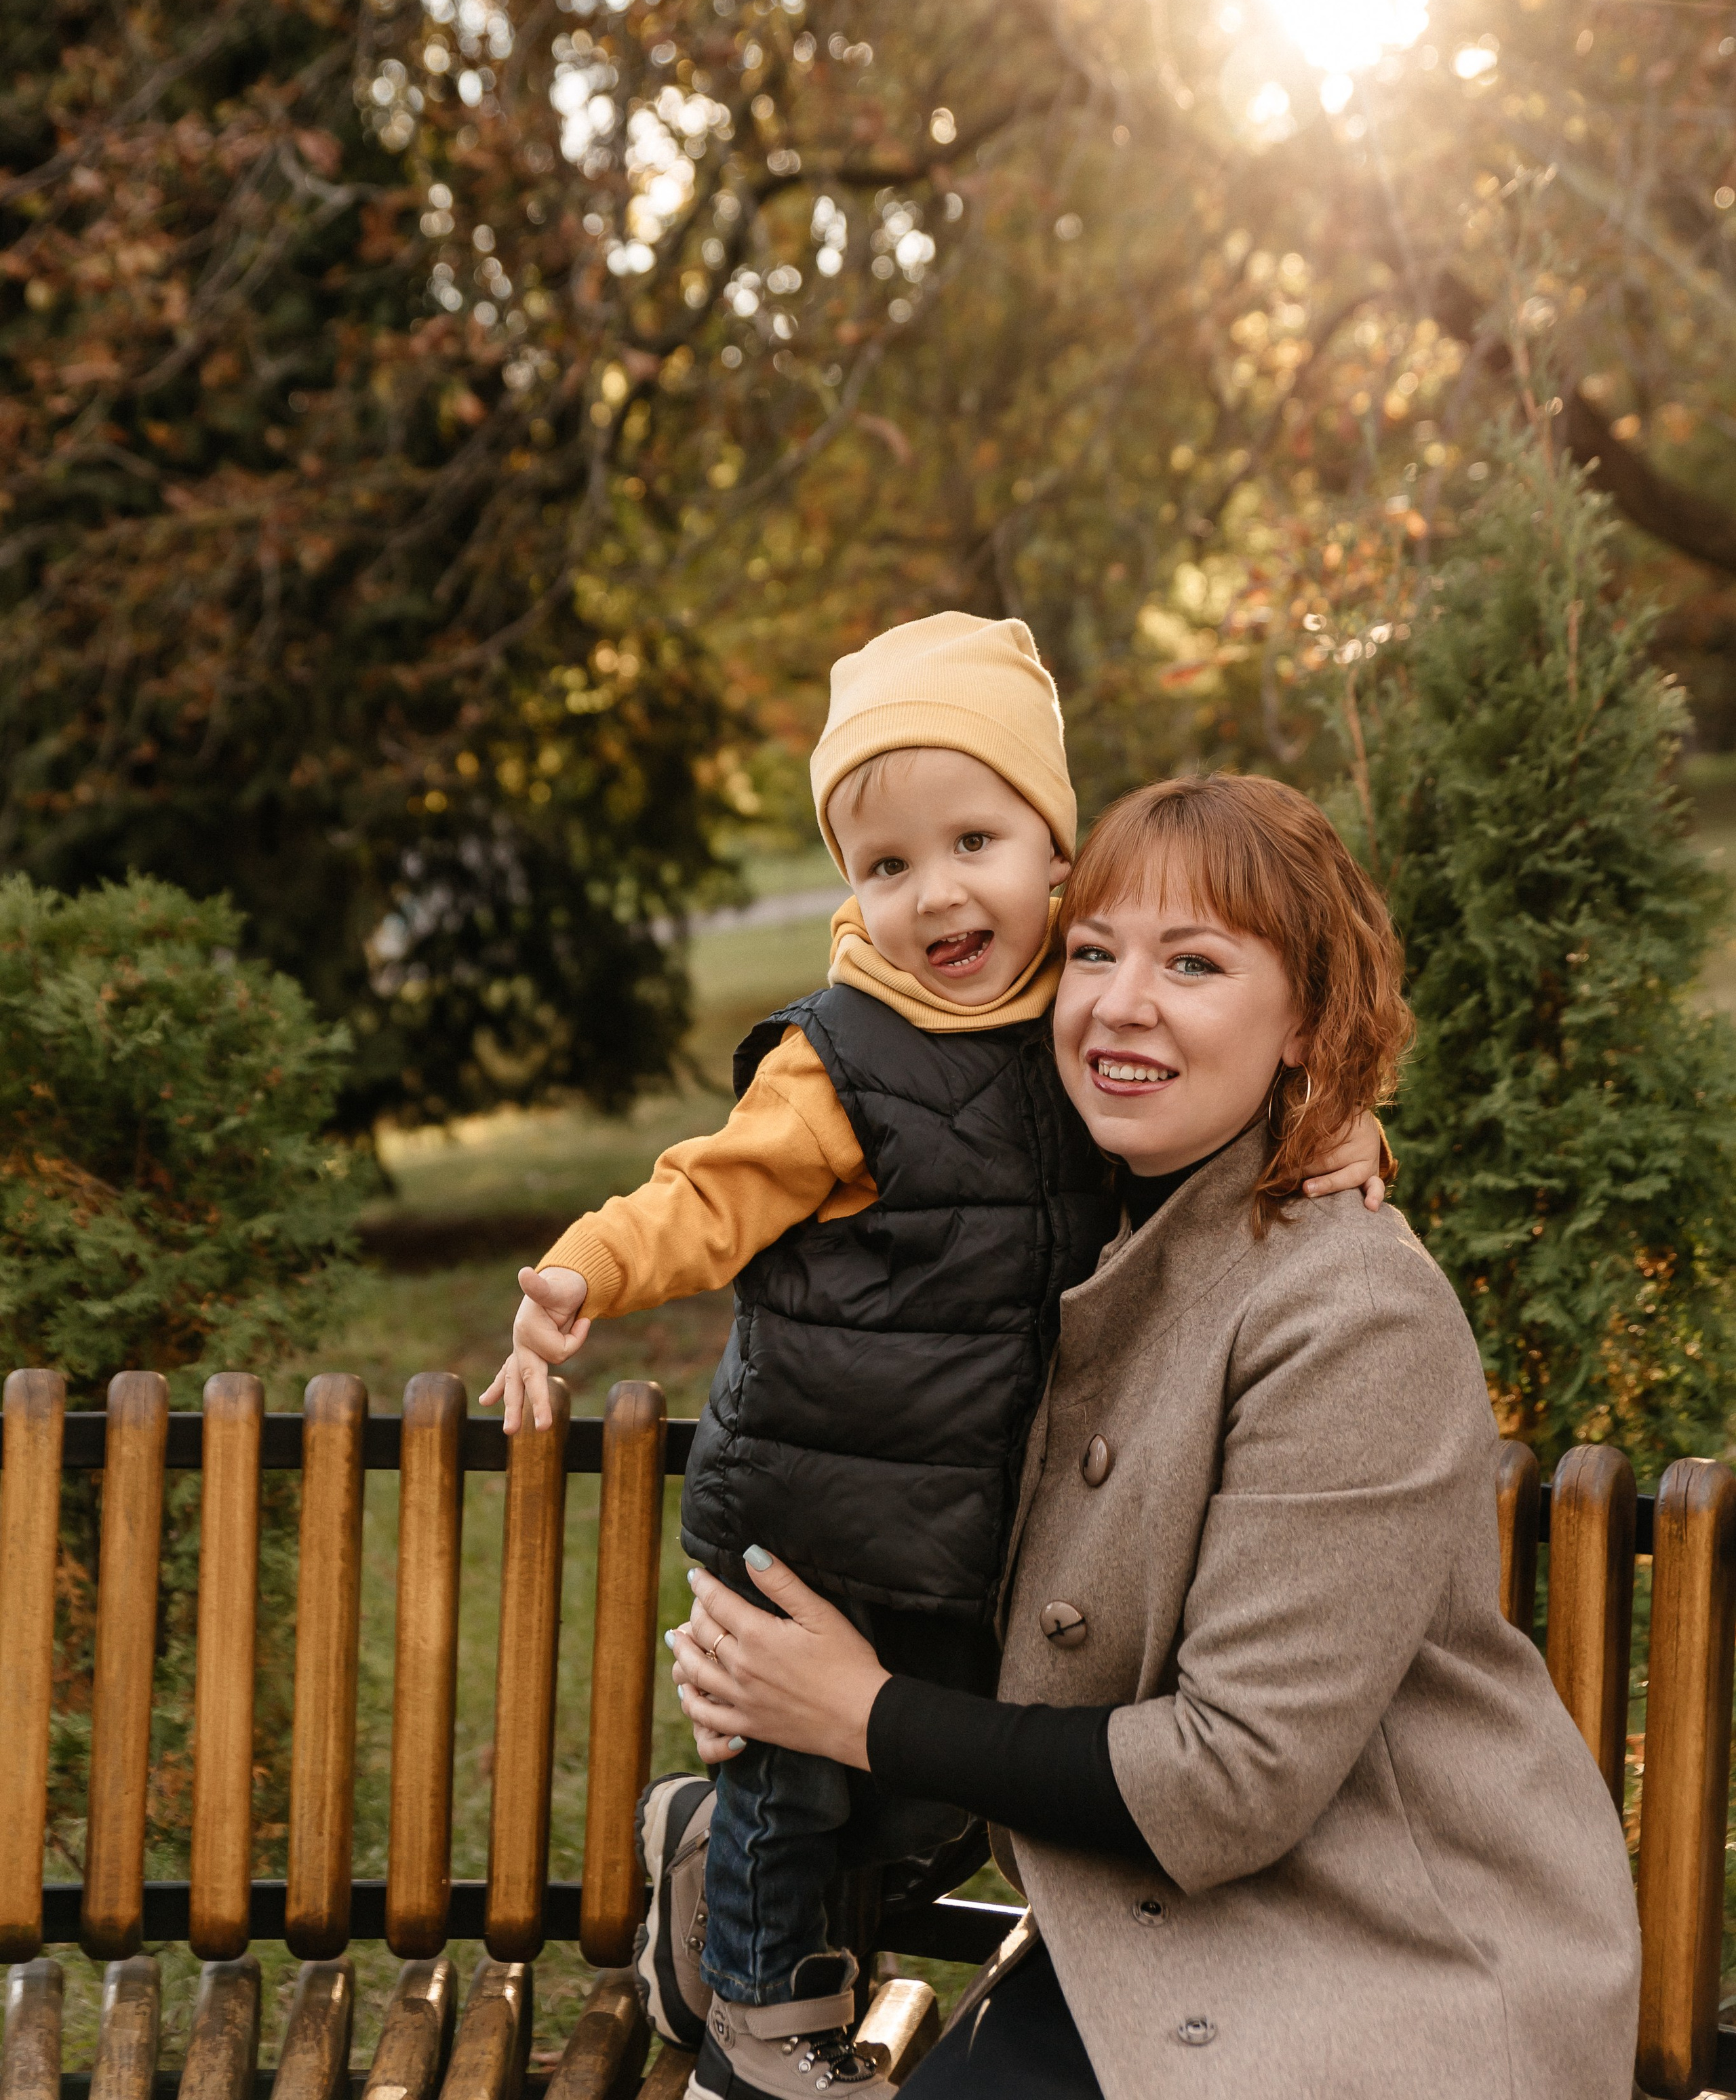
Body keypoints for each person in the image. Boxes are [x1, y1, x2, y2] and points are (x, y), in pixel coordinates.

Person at [484, 637, 1386, 2100]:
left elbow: (1215, 1132)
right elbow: (703, 1195)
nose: (937, 893)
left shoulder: (1080, 1022)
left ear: (1053, 850)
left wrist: (1339, 1128)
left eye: (975, 842)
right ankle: (761, 2027)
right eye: (887, 864)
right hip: (816, 1499)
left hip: (976, 1514)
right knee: (791, 1780)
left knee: (913, 1808)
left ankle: (701, 1869)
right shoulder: (839, 1059)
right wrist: (581, 1270)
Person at [669, 774, 1642, 2100]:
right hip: (1135, 1941)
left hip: (1387, 1971)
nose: (1122, 1001)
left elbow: (1229, 1780)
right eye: (1090, 953)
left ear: (1305, 1019)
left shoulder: (1352, 1311)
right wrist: (767, 1695)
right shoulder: (1048, 1230)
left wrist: (856, 1714)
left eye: (1193, 962)